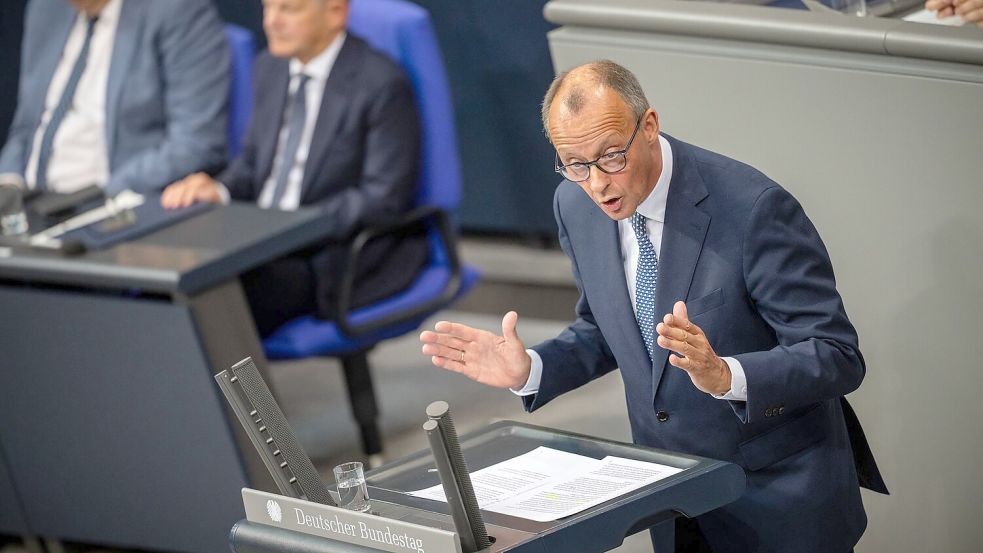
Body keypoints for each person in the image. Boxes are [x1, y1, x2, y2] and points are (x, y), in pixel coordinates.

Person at [420, 60, 887, 553]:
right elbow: (606, 329)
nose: (597, 183)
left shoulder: (753, 209)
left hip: (778, 498)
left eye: (610, 158)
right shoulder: (574, 206)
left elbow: (835, 354)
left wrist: (728, 376)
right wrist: (531, 368)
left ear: (648, 127)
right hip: (673, 496)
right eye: (574, 163)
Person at [161, 0, 425, 336]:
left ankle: (243, 392)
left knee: (215, 305)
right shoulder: (269, 67)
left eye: (289, 9)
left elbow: (382, 199)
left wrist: (293, 227)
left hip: (325, 251)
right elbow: (254, 165)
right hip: (257, 237)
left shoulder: (381, 84)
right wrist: (220, 189)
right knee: (165, 279)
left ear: (335, 12)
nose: (271, 21)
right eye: (267, 7)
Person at [0, 0, 229, 196]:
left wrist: (98, 198)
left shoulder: (178, 10)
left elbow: (195, 144)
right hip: (29, 207)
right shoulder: (46, 9)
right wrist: (8, 188)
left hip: (114, 205)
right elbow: (26, 128)